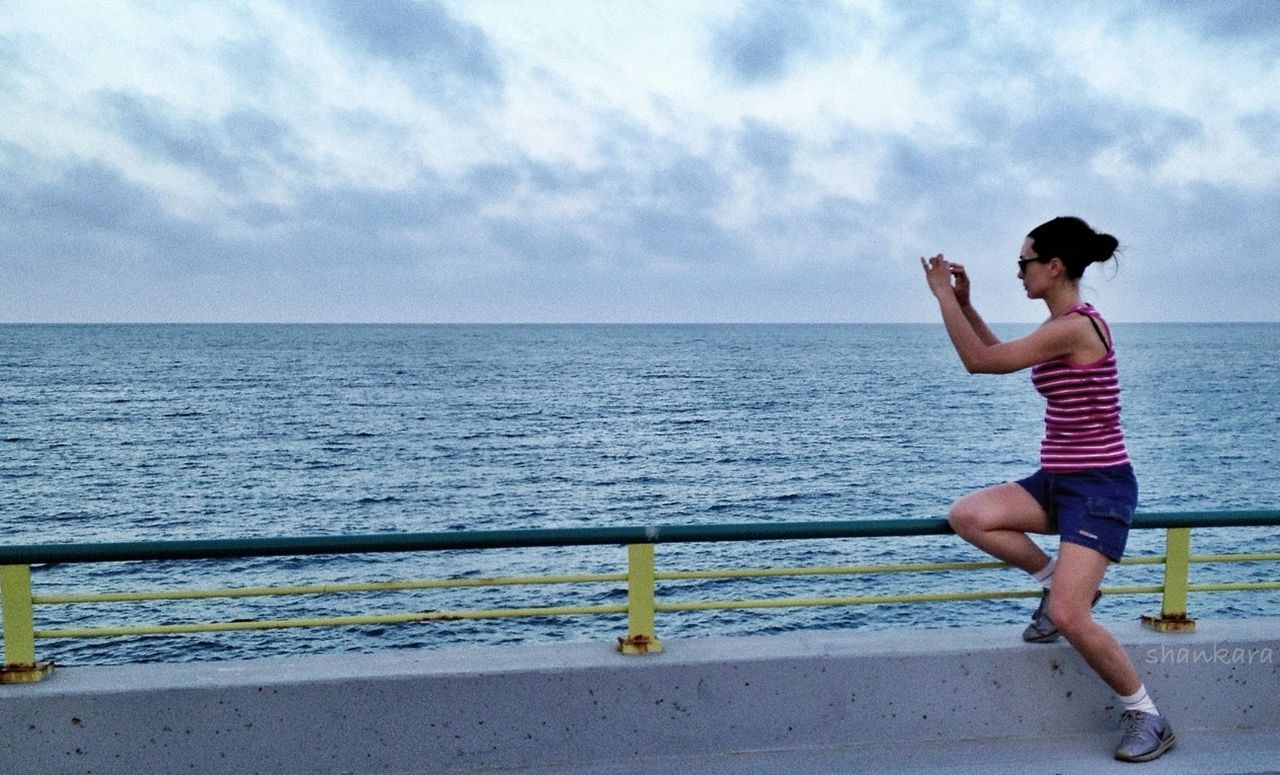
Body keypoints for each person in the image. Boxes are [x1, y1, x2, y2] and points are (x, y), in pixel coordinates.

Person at [920, 216, 1175, 763]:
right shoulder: (1056, 328)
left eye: (1024, 263)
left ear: (1053, 267)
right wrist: (965, 305)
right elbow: (1001, 355)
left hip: (1100, 487)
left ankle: (1147, 714)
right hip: (1057, 479)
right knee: (970, 515)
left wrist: (940, 295)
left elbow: (980, 363)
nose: (1018, 273)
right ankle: (1055, 578)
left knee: (1068, 615)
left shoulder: (1076, 326)